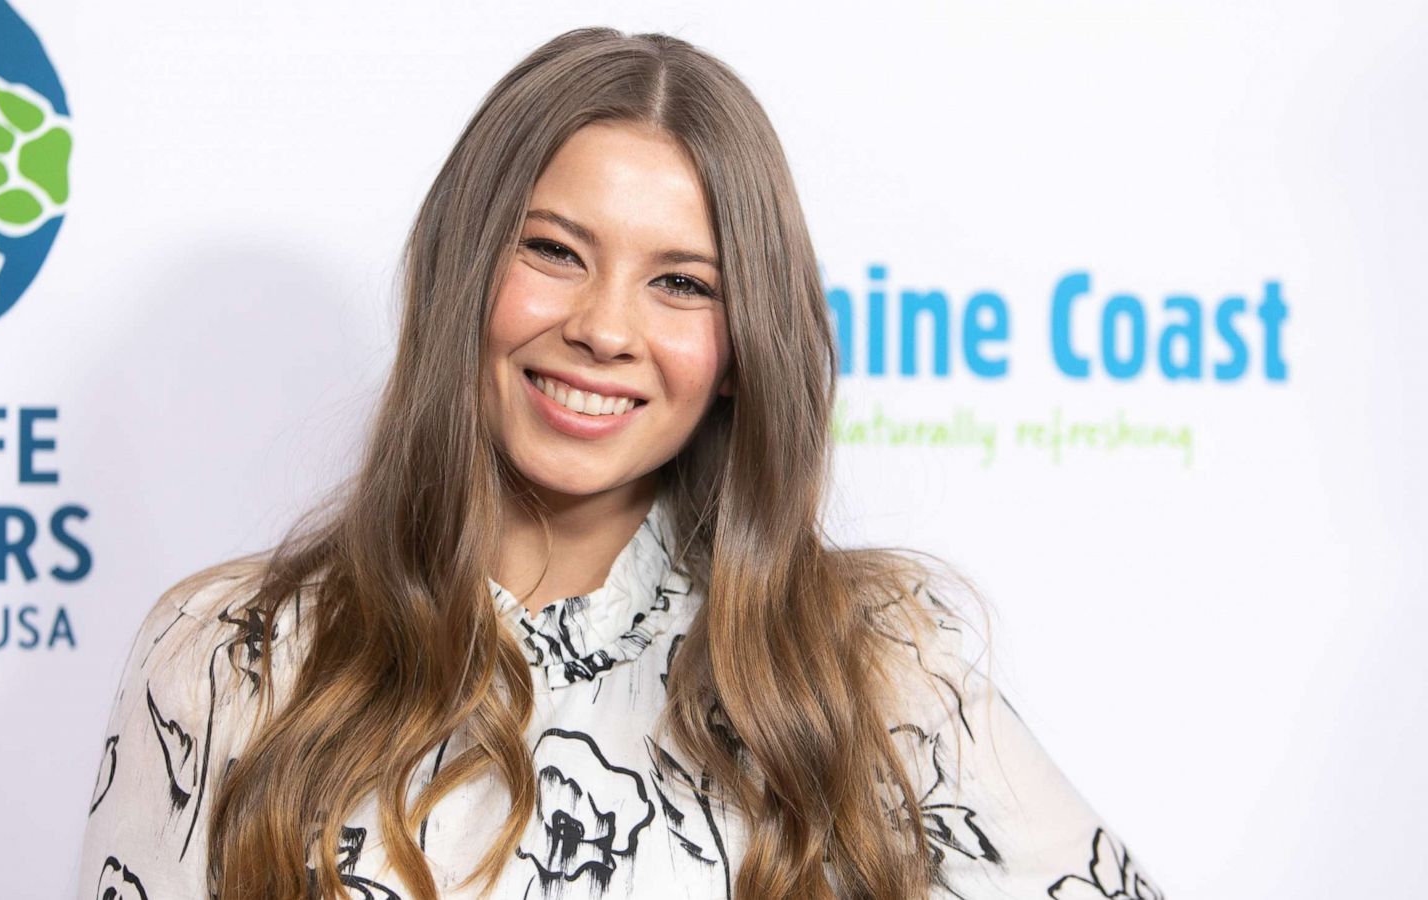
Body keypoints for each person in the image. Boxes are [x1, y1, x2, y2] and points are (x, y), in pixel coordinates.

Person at [75, 26, 1165, 900]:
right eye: (554, 251)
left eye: (682, 283)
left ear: (741, 350)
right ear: (463, 274)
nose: (604, 328)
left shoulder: (871, 666)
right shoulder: (232, 658)